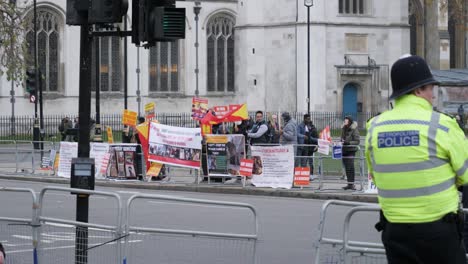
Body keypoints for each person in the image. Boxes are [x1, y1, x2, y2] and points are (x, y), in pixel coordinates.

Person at [366, 55, 467, 264]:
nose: (433, 94)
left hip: (395, 231)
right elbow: (465, 175)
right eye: (431, 88)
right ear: (418, 90)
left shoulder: (375, 127)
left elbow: (376, 175)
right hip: (438, 230)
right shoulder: (442, 125)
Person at [341, 115, 360, 190]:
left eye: (346, 120)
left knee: (350, 167)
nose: (345, 121)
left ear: (349, 121)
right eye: (344, 120)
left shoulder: (354, 129)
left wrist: (348, 143)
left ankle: (352, 184)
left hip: (351, 150)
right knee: (346, 167)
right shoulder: (343, 128)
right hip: (344, 150)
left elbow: (357, 141)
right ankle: (349, 184)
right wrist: (340, 142)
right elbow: (342, 138)